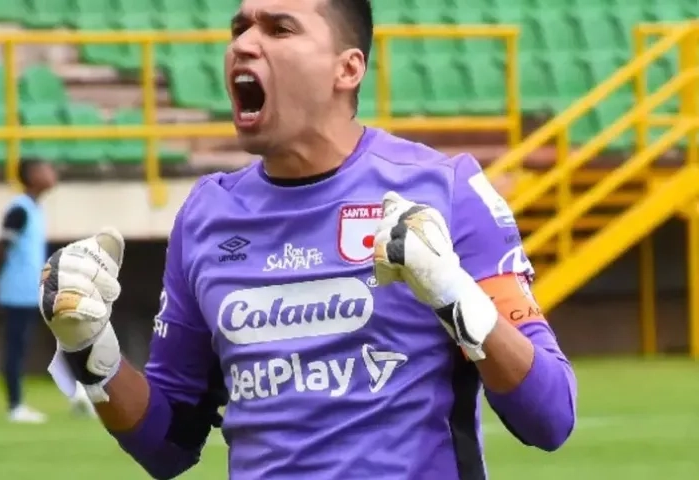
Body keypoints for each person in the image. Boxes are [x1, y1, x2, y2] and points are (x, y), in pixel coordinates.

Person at [40, 0, 577, 478]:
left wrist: (453, 292)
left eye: (279, 29)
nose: (244, 44)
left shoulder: (444, 190)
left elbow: (551, 416)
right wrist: (88, 349)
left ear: (347, 69)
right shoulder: (206, 215)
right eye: (240, 28)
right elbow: (168, 444)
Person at [0, 158, 93, 423]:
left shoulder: (36, 209)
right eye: (45, 170)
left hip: (38, 288)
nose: (52, 174)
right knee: (17, 346)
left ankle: (80, 396)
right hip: (19, 290)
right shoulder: (20, 209)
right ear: (32, 176)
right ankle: (15, 407)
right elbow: (1, 247)